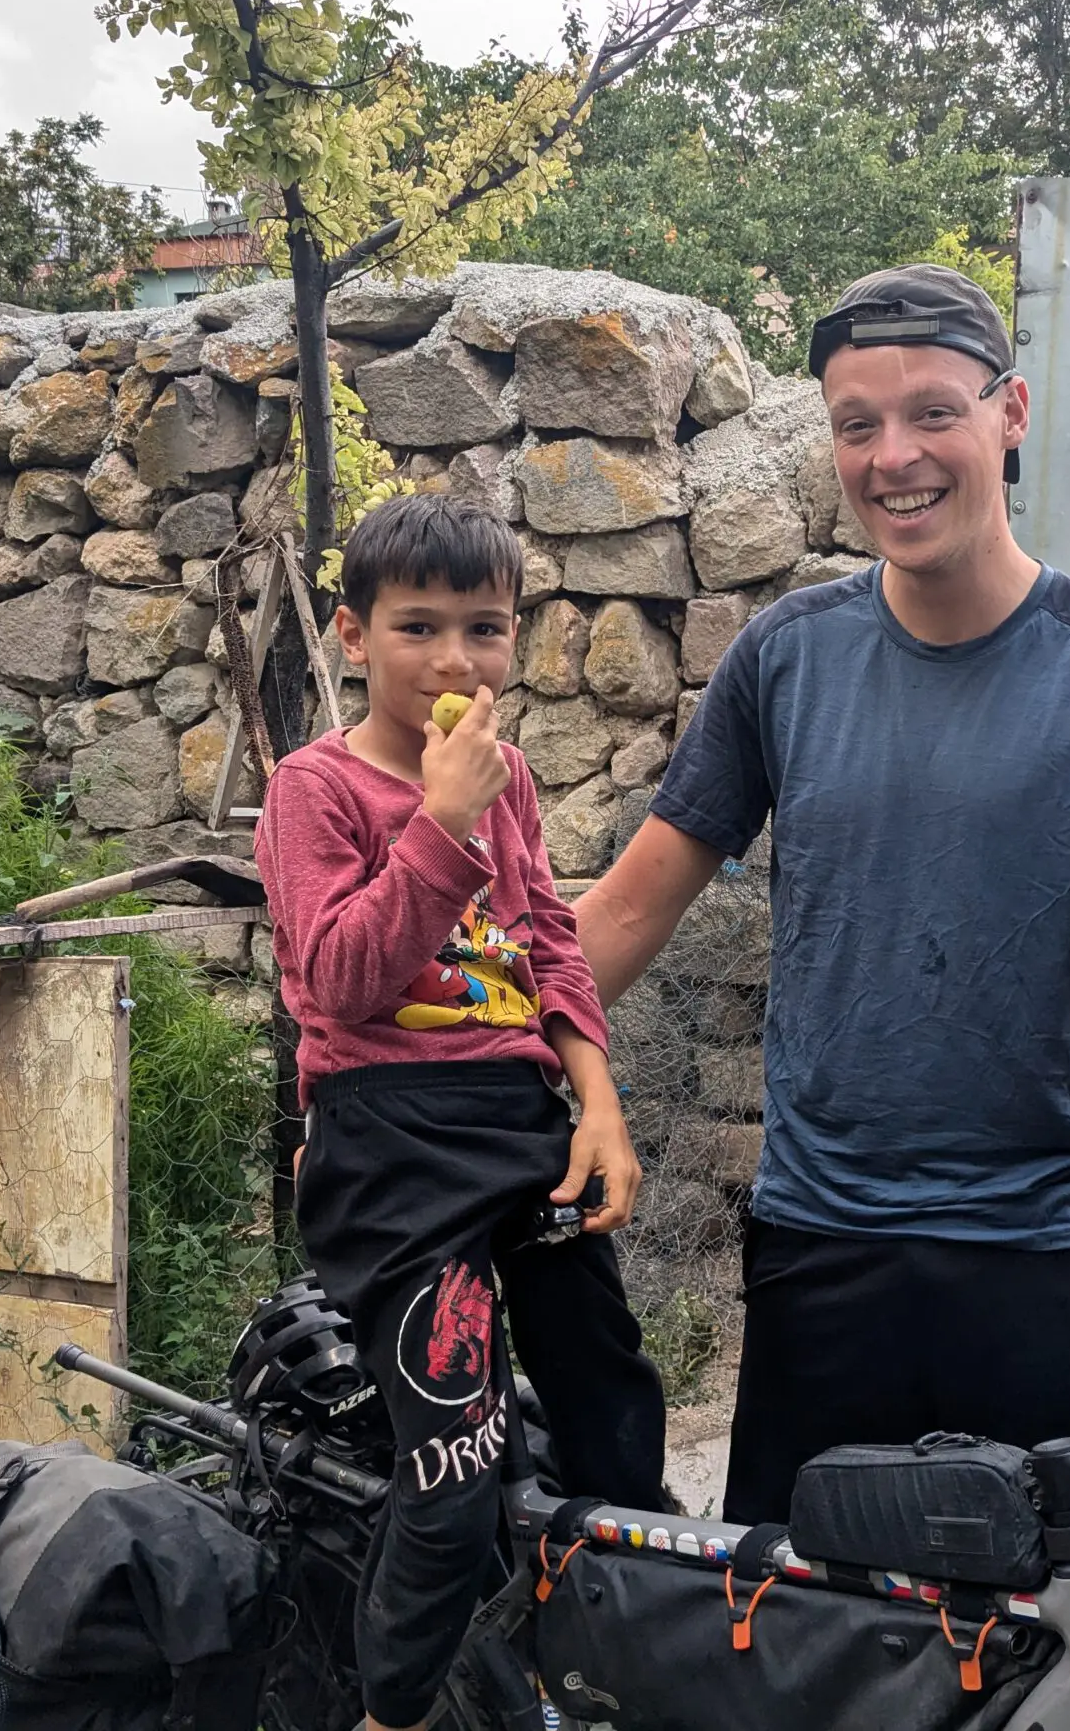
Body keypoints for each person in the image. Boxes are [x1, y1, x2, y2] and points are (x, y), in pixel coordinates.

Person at [574, 264, 1070, 1524]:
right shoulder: (785, 658)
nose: (893, 456)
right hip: (820, 1250)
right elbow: (626, 913)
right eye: (857, 425)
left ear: (1010, 413)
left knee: (1040, 1664)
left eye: (932, 413)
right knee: (805, 1649)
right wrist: (433, 1072)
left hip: (1039, 1258)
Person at [256, 493, 667, 1731]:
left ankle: (594, 1662)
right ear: (351, 635)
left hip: (518, 1121)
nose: (452, 662)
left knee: (611, 1407)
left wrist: (597, 1103)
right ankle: (388, 1714)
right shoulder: (314, 789)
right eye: (417, 628)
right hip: (392, 1143)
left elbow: (547, 941)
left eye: (482, 631)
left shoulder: (514, 778)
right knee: (454, 1466)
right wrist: (439, 821)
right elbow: (337, 980)